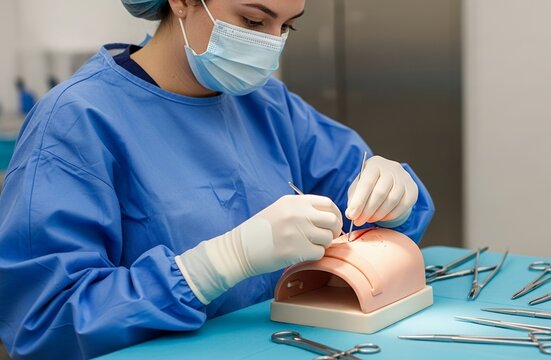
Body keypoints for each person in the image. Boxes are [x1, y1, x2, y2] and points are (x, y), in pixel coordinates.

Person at [0, 0, 435, 358]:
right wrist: (209, 268)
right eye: (252, 20)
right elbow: (41, 324)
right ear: (184, 2)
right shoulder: (77, 120)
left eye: (287, 27)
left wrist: (394, 193)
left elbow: (369, 203)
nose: (270, 44)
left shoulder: (265, 103)